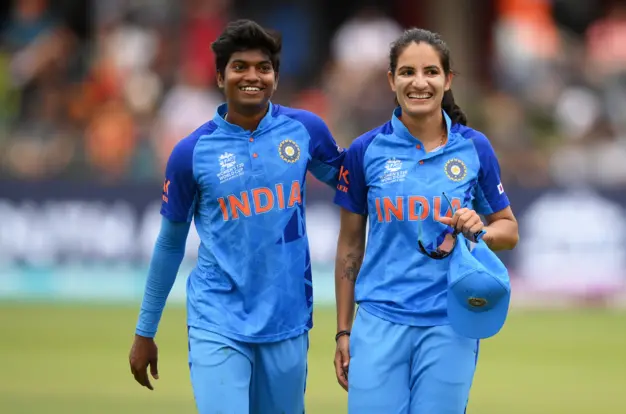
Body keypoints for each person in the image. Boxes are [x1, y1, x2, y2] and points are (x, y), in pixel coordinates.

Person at [128, 19, 344, 414]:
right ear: (219, 76)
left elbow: (355, 189)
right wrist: (145, 331)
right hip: (217, 318)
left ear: (275, 78)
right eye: (239, 66)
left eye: (263, 68)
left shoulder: (304, 130)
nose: (252, 76)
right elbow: (170, 244)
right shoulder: (190, 153)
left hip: (288, 318)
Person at [333, 28, 519, 413]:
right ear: (391, 80)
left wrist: (478, 229)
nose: (419, 83)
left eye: (431, 72)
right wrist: (343, 330)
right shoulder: (365, 150)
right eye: (407, 72)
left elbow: (509, 230)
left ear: (447, 80)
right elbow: (350, 244)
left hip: (450, 323)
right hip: (379, 320)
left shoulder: (473, 147)